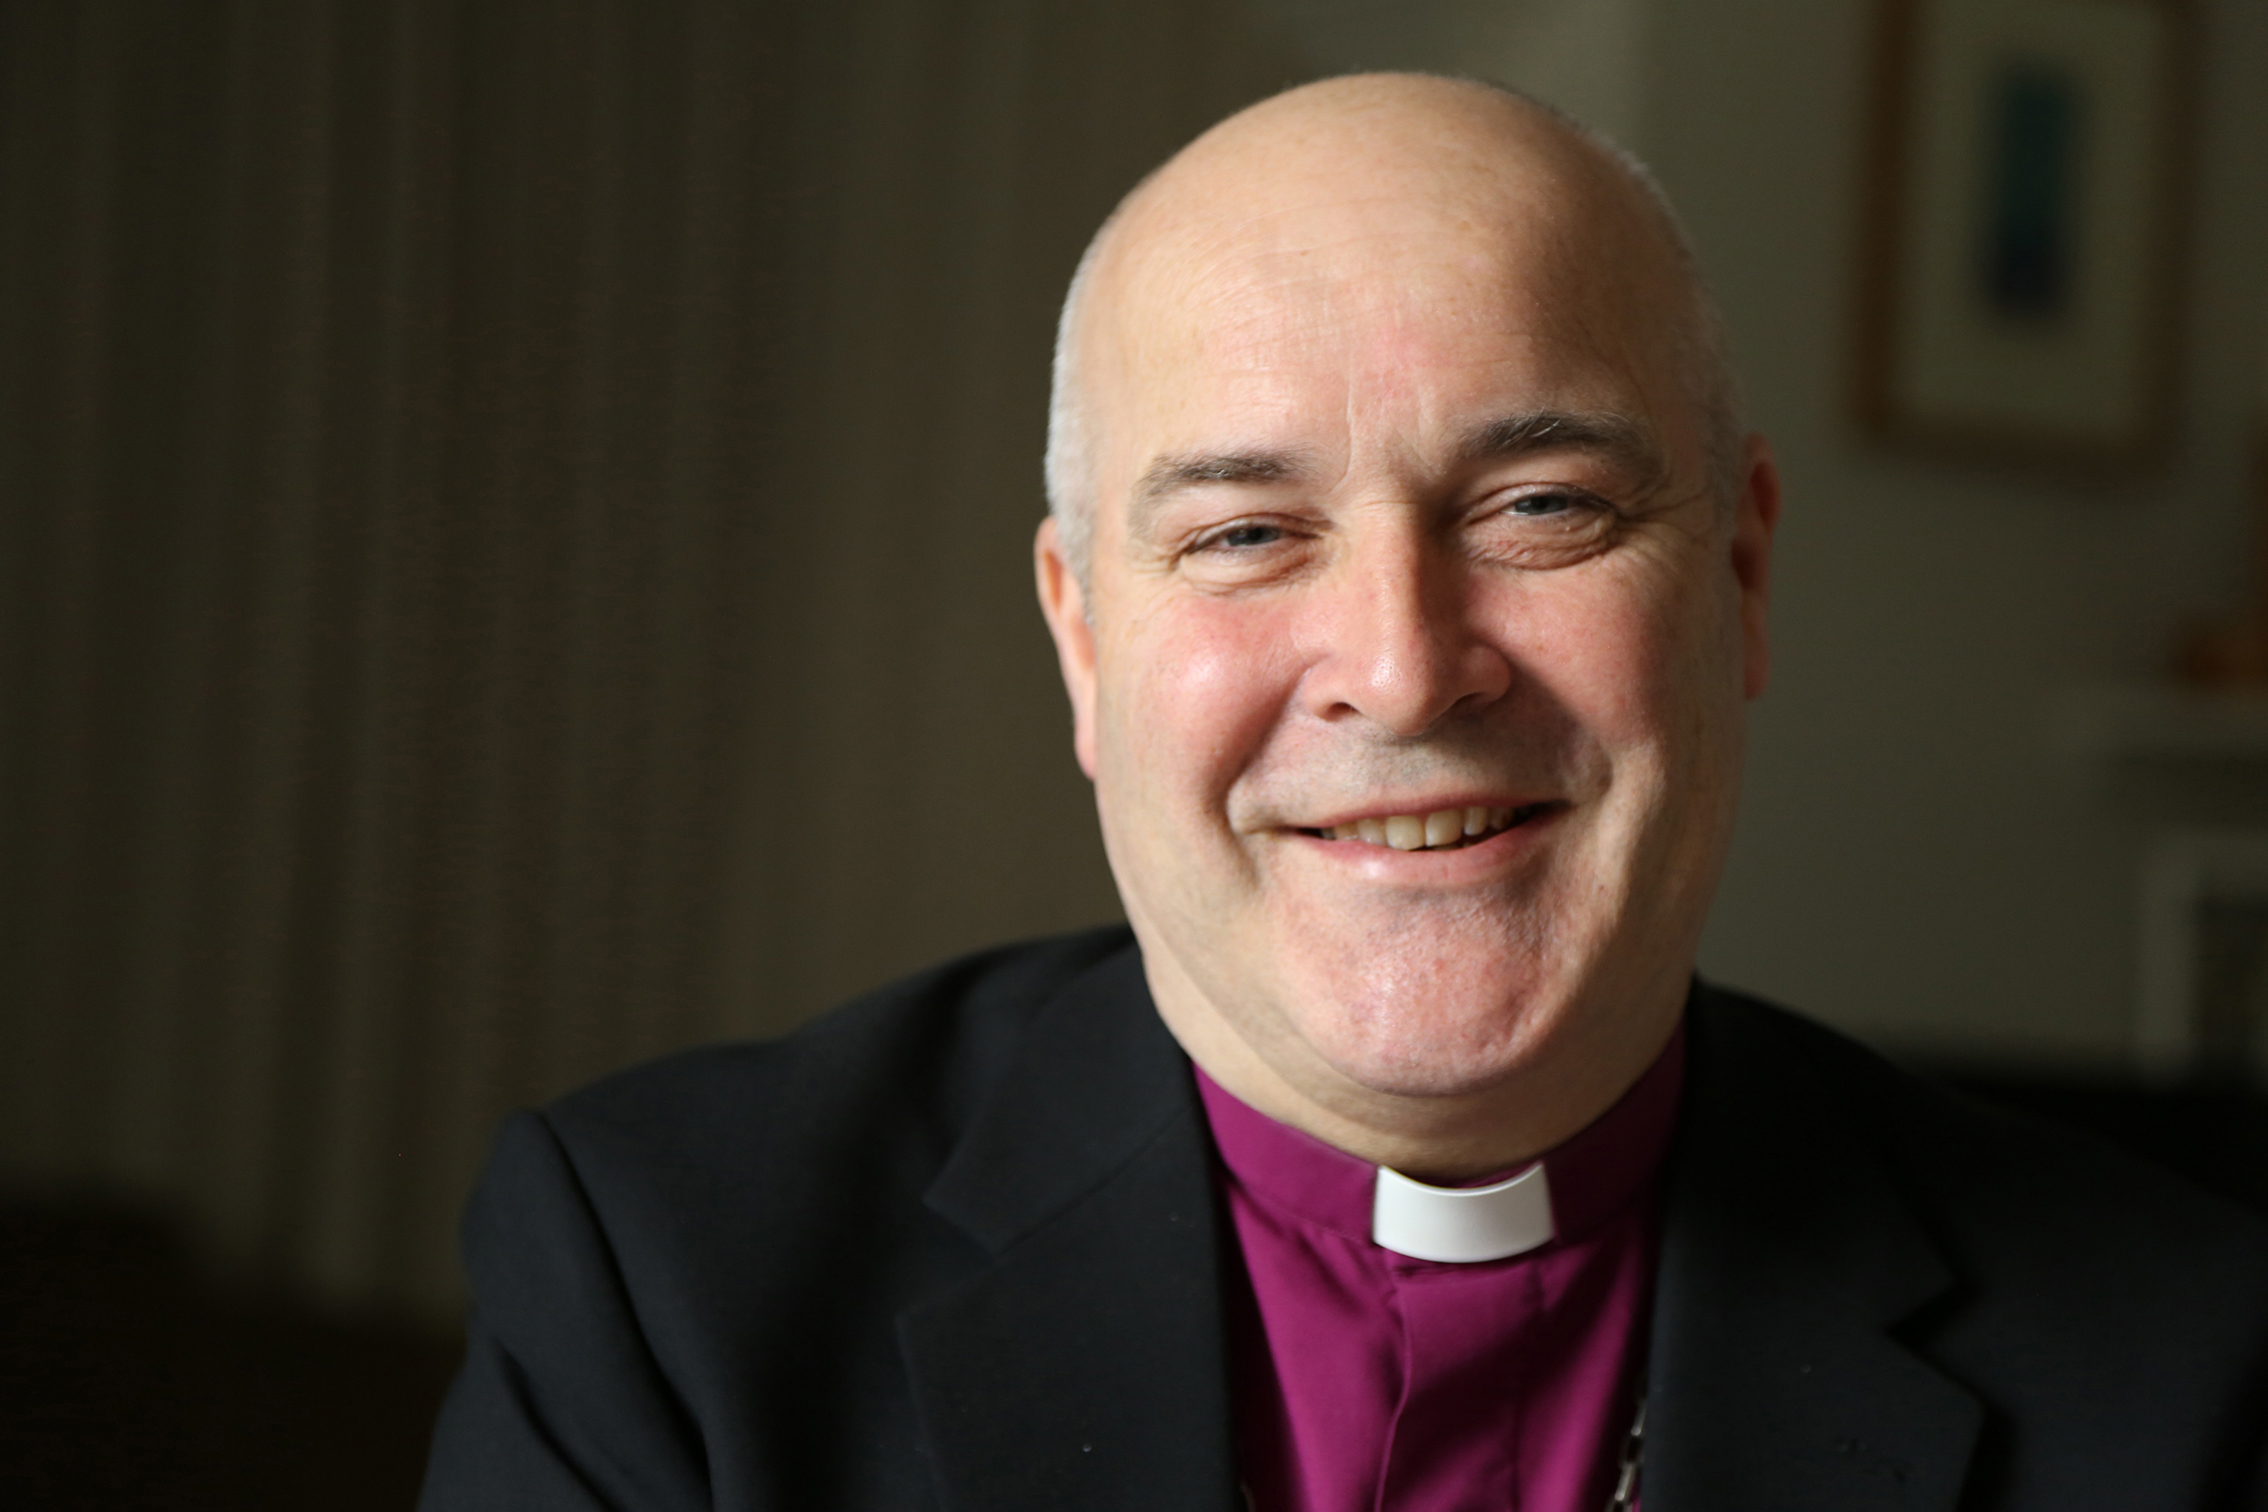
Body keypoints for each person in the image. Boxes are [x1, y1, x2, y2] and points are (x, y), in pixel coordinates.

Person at [418, 75, 2268, 1511]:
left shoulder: (2186, 1364)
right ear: (1082, 641)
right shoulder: (670, 1290)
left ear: (1744, 577)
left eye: (1541, 506)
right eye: (1243, 534)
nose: (1401, 663)